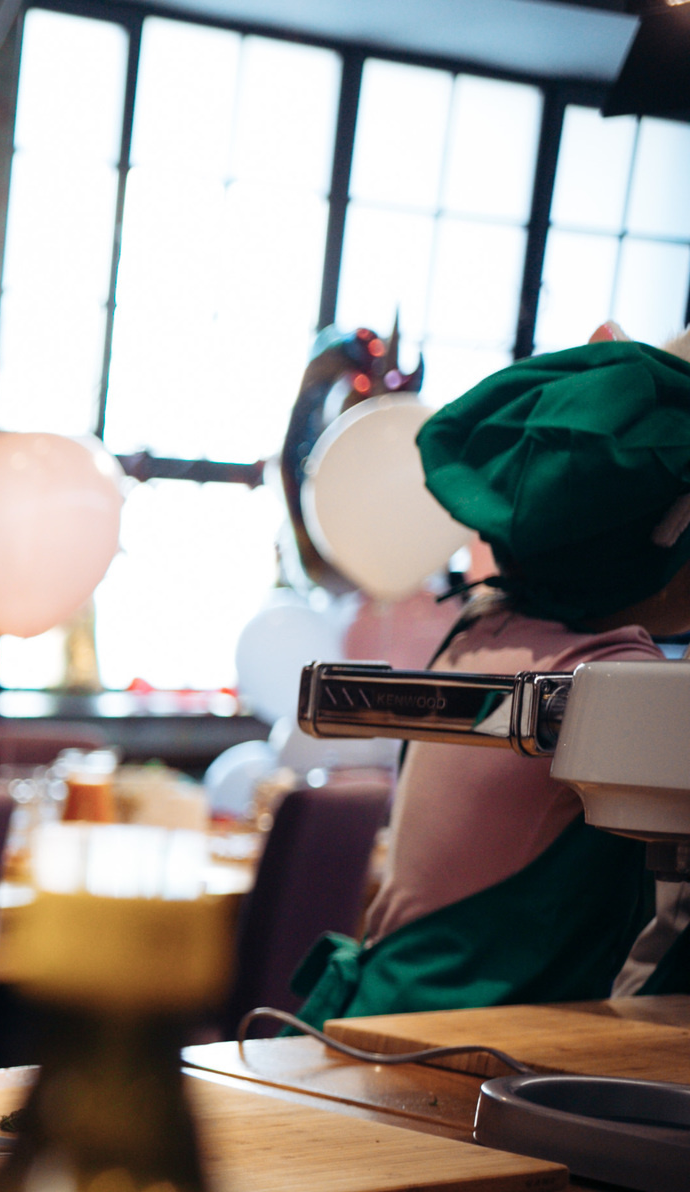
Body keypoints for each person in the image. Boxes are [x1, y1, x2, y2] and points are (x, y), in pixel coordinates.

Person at [293, 339, 690, 1025]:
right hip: (473, 1045)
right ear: (665, 536)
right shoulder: (611, 674)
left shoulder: (482, 630)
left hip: (382, 1015)